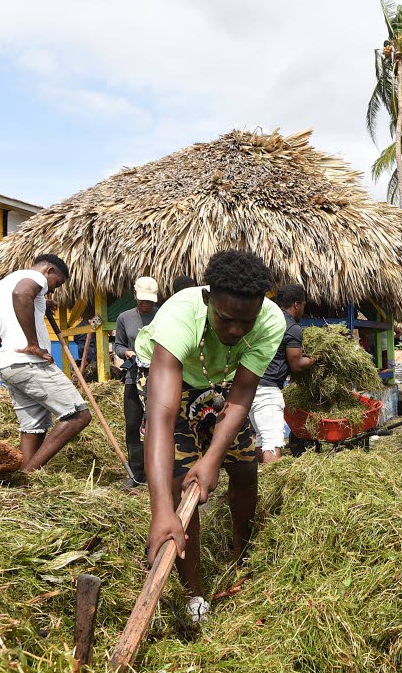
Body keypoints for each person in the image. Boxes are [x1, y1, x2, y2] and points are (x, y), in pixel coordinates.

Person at [137, 250, 285, 621]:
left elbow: (241, 394)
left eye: (245, 323)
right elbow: (162, 416)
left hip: (220, 383)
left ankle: (242, 553)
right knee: (181, 480)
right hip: (171, 380)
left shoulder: (270, 322)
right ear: (208, 300)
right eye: (226, 319)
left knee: (246, 465)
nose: (235, 331)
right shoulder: (179, 315)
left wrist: (214, 457)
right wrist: (161, 511)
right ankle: (194, 594)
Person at [0, 255, 92, 472]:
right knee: (78, 415)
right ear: (49, 271)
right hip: (29, 363)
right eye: (57, 283)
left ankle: (23, 479)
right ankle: (29, 471)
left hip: (8, 365)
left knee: (33, 427)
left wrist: (41, 303)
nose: (53, 289)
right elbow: (22, 293)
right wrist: (33, 345)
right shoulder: (35, 277)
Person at [252, 284, 314, 463]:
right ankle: (272, 483)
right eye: (303, 304)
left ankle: (260, 480)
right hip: (268, 391)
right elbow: (297, 364)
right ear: (296, 304)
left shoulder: (266, 319)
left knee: (262, 438)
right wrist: (314, 359)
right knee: (272, 442)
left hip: (251, 386)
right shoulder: (292, 327)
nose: (303, 308)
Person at [113, 276, 161, 487]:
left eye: (150, 301)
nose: (146, 304)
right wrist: (128, 353)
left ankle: (159, 472)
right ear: (135, 296)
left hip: (159, 380)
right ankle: (137, 474)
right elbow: (118, 346)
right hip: (134, 378)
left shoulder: (163, 316)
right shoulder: (124, 317)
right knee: (133, 425)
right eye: (143, 300)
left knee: (158, 425)